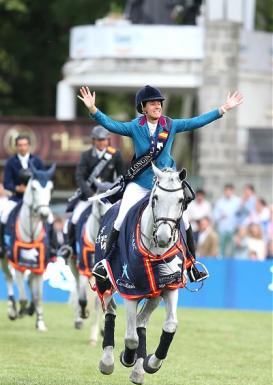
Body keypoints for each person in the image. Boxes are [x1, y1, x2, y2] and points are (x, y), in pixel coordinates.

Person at [78, 85, 243, 280]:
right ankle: (105, 263)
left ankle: (192, 264)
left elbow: (195, 122)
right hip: (141, 182)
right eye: (153, 103)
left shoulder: (170, 124)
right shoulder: (134, 126)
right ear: (144, 107)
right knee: (121, 217)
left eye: (159, 103)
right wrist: (93, 110)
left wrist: (222, 109)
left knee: (186, 219)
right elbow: (112, 125)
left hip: (166, 183)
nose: (158, 106)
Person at [58, 125, 124, 259]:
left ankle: (122, 247)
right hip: (90, 196)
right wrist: (91, 194)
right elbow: (79, 177)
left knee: (123, 218)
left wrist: (114, 190)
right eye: (99, 140)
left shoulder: (115, 155)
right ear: (94, 141)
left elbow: (122, 176)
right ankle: (69, 247)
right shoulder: (86, 156)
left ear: (108, 140)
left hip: (108, 196)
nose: (102, 143)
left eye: (104, 140)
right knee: (74, 218)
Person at [0, 135, 57, 258]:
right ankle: (2, 246)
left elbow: (44, 179)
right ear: (16, 146)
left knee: (50, 218)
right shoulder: (11, 162)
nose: (22, 147)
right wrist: (17, 188)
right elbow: (7, 183)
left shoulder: (37, 161)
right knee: (4, 215)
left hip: (35, 200)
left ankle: (53, 248)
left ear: (29, 146)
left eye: (25, 145)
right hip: (17, 198)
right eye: (20, 145)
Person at [212, 183, 240, 257]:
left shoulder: (237, 201)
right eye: (226, 191)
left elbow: (240, 215)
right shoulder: (220, 202)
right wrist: (220, 216)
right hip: (222, 229)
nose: (228, 192)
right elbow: (214, 215)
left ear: (232, 191)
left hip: (233, 229)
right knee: (221, 247)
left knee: (233, 248)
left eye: (229, 191)